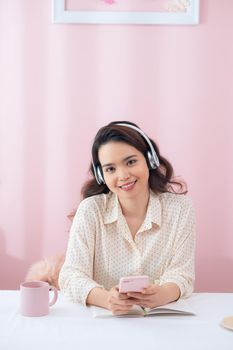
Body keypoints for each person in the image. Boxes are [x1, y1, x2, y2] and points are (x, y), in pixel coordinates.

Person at [58, 121, 196, 315]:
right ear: (101, 175)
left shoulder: (180, 209)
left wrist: (163, 294)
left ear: (150, 160)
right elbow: (71, 275)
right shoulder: (91, 210)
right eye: (110, 169)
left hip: (161, 326)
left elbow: (182, 274)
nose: (123, 175)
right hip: (104, 325)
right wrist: (106, 299)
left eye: (131, 162)